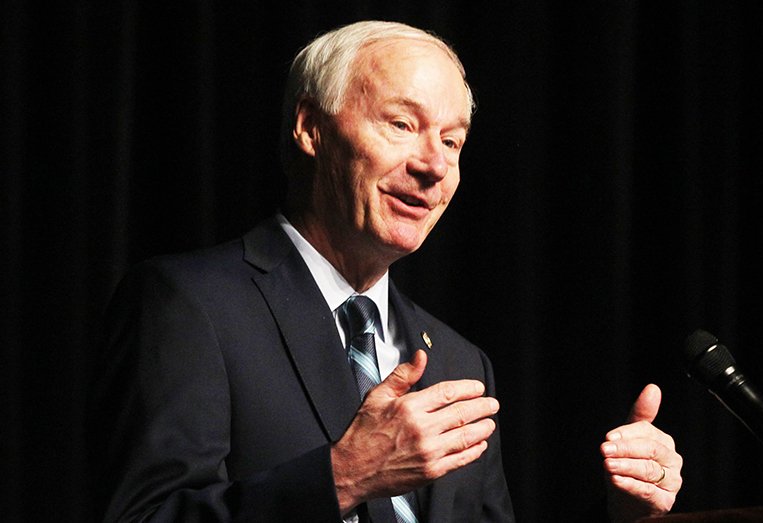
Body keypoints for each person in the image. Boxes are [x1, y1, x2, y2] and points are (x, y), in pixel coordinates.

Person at [88, 20, 683, 522]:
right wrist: (341, 477)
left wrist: (626, 519)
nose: (433, 165)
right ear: (310, 128)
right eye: (401, 125)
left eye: (452, 142)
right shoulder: (190, 304)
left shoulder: (458, 361)